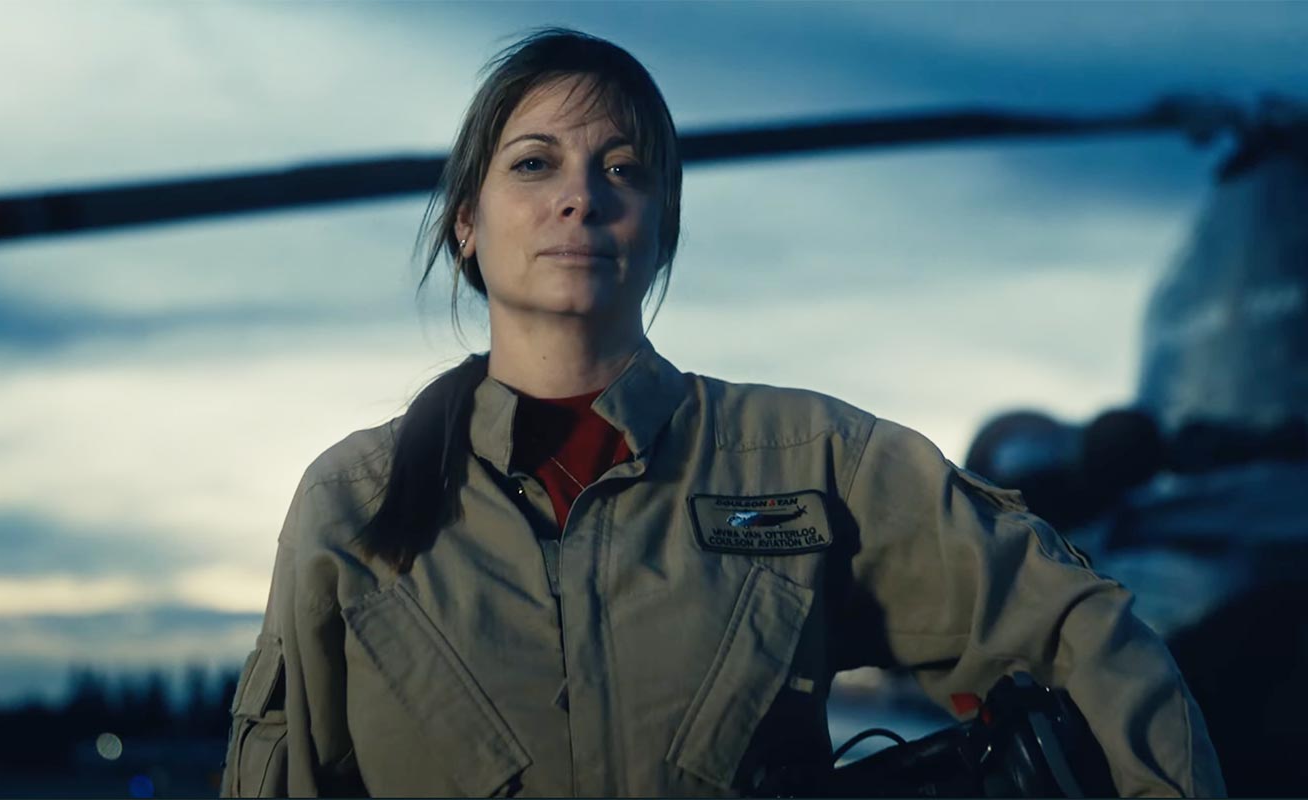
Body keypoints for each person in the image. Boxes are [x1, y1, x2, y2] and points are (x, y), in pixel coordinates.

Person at [220, 28, 1224, 798]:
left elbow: (1076, 626)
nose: (581, 196)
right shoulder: (355, 501)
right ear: (467, 225)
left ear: (660, 229)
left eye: (622, 168)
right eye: (535, 163)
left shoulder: (814, 462)